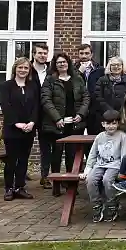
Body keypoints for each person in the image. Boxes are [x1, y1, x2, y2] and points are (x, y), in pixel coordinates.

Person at [40, 52, 89, 197]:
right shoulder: (50, 80)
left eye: (64, 62)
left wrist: (81, 114)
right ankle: (56, 185)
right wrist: (57, 118)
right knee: (56, 154)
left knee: (72, 155)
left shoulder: (77, 79)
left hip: (74, 124)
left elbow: (86, 97)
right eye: (59, 62)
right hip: (57, 125)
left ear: (68, 63)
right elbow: (46, 100)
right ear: (55, 65)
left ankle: (70, 184)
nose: (62, 64)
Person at [79, 109, 126, 223]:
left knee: (107, 180)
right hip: (100, 165)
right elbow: (92, 154)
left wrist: (122, 172)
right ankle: (97, 205)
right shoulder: (100, 136)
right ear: (103, 124)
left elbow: (125, 155)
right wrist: (87, 170)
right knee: (90, 180)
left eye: (113, 123)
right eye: (108, 123)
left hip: (115, 166)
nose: (111, 126)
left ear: (118, 123)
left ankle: (112, 205)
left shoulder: (122, 136)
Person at [0, 57, 38, 201]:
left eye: (26, 68)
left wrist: (32, 122)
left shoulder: (33, 86)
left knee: (23, 160)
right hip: (12, 129)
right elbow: (5, 106)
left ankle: (20, 187)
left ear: (29, 71)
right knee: (11, 160)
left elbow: (36, 106)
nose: (23, 70)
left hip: (28, 129)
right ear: (15, 69)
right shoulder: (6, 86)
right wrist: (16, 123)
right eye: (20, 67)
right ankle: (9, 188)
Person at [29, 43, 52, 188]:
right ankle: (20, 175)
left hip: (46, 114)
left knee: (46, 147)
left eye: (45, 53)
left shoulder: (51, 70)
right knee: (24, 145)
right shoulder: (27, 69)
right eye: (40, 53)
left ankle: (45, 177)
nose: (42, 55)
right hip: (29, 113)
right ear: (33, 54)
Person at [92, 56, 126, 133]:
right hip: (105, 116)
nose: (116, 67)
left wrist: (121, 112)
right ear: (109, 67)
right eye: (113, 65)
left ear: (122, 66)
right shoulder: (102, 80)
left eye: (119, 65)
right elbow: (98, 97)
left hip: (123, 116)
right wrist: (110, 111)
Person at [75, 43, 104, 134]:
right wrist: (79, 72)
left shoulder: (99, 70)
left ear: (91, 54)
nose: (84, 56)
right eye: (81, 53)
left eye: (87, 53)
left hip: (94, 108)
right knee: (77, 138)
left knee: (94, 136)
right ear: (78, 54)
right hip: (78, 108)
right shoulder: (72, 69)